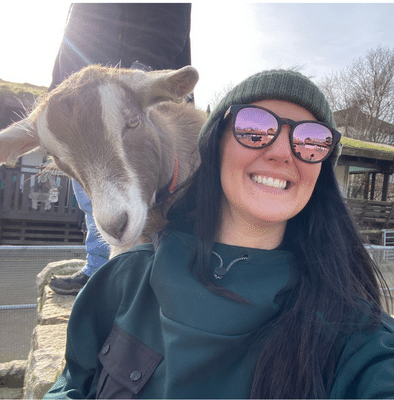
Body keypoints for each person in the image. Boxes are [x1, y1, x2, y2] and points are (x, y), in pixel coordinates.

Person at [44, 69, 394, 399]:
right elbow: (74, 381)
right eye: (254, 127)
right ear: (215, 145)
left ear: (320, 171)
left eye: (311, 140)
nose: (281, 152)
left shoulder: (355, 334)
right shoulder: (124, 280)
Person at [48, 3, 192, 294]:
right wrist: (56, 91)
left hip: (133, 87)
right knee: (92, 196)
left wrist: (142, 75)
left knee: (170, 192)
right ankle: (100, 270)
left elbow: (170, 16)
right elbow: (77, 29)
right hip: (78, 93)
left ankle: (166, 279)